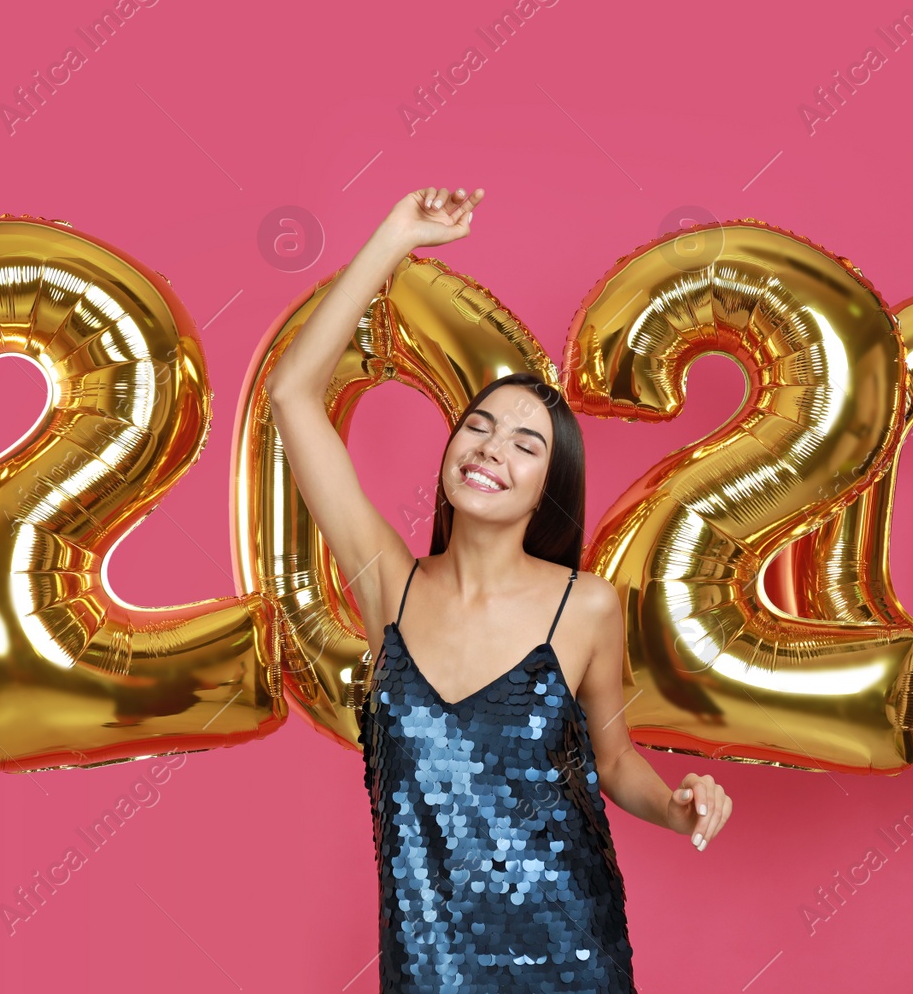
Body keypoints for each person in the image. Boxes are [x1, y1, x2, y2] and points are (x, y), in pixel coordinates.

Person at [266, 186, 734, 992]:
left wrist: (678, 806)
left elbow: (615, 765)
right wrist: (394, 238)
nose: (490, 449)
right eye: (477, 426)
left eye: (525, 444)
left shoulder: (583, 605)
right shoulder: (391, 587)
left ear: (547, 488)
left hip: (571, 951)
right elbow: (292, 396)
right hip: (430, 966)